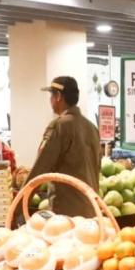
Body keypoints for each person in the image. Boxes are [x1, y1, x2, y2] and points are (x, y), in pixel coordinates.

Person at [28, 76, 101, 218]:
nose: (50, 100)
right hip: (91, 209)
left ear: (58, 96)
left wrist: (18, 206)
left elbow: (40, 169)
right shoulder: (92, 127)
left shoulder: (59, 126)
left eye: (51, 95)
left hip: (67, 212)